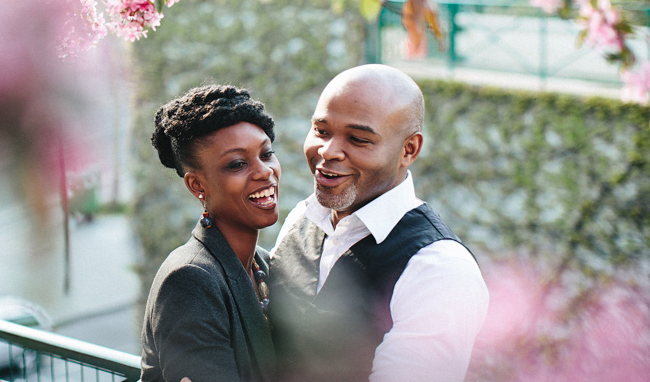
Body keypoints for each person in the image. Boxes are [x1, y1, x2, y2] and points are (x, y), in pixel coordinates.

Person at [268, 64, 489, 382]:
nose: (327, 151)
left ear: (408, 150)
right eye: (321, 131)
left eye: (358, 139)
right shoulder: (301, 220)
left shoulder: (438, 269)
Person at [141, 85, 281, 382]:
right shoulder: (189, 280)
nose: (264, 171)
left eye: (266, 154)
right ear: (197, 186)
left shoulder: (265, 266)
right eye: (237, 164)